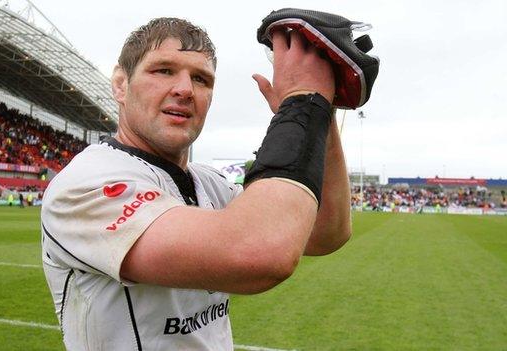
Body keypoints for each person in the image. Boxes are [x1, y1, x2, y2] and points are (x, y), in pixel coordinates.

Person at [41, 17, 351, 350]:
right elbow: (259, 253)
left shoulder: (209, 182)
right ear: (120, 84)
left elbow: (325, 232)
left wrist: (321, 108)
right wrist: (301, 103)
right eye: (163, 71)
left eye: (201, 79)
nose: (185, 90)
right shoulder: (87, 183)